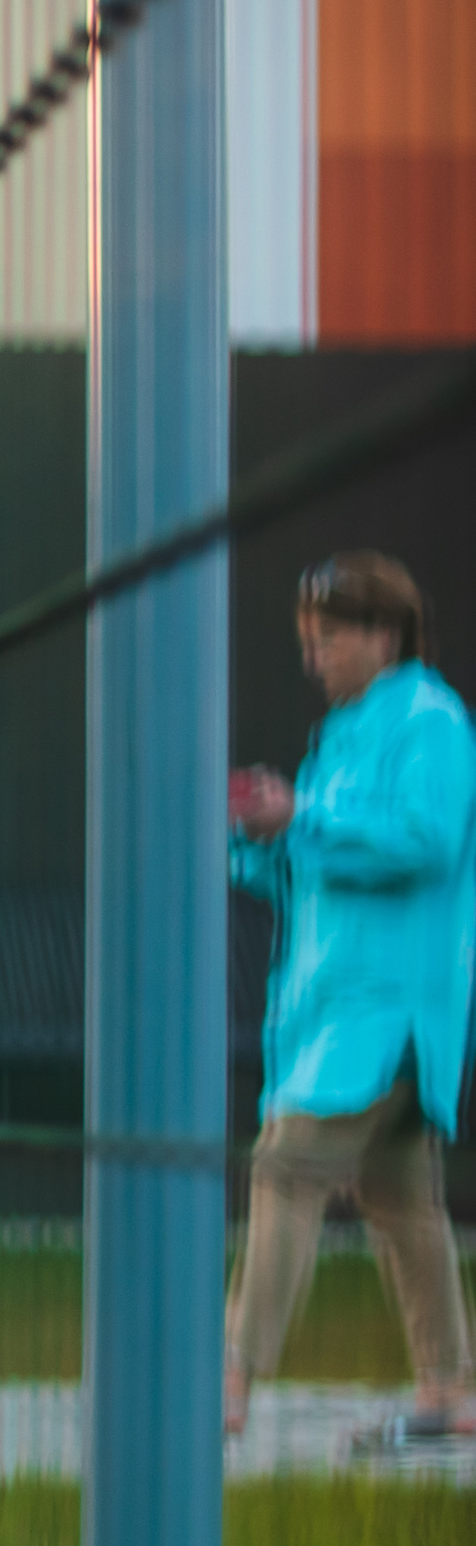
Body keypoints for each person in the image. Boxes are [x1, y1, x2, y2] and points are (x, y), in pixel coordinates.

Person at [226, 550, 476, 1448]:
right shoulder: (343, 729)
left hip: (388, 1010)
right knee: (400, 1196)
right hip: (335, 1009)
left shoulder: (431, 720)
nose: (314, 658)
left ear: (381, 633)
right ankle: (447, 1395)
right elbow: (313, 863)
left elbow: (426, 840)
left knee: (287, 1166)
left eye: (327, 639)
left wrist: (300, 818)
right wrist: (257, 833)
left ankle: (228, 1377)